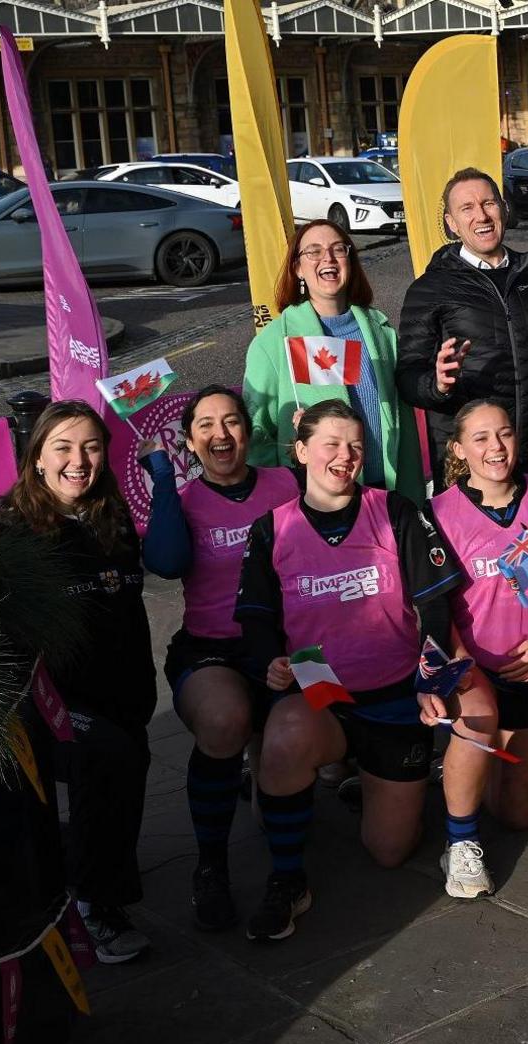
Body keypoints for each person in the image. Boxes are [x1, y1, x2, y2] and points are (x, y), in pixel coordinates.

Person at [234, 400, 462, 943]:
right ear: (302, 451)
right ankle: (287, 879)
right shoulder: (272, 528)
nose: (345, 456)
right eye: (332, 444)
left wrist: (432, 674)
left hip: (392, 687)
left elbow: (434, 604)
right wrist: (270, 660)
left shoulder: (396, 509)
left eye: (356, 445)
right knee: (286, 739)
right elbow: (256, 618)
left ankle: (366, 779)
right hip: (322, 683)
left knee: (389, 852)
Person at [0, 402, 156, 963]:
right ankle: (96, 906)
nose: (78, 460)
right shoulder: (14, 530)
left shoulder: (110, 516)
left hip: (123, 692)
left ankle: (97, 877)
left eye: (90, 446)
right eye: (62, 448)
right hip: (50, 703)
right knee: (108, 758)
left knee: (129, 760)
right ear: (37, 458)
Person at [140, 387, 300, 932]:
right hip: (212, 650)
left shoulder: (284, 484)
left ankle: (289, 876)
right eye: (205, 425)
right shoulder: (180, 500)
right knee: (226, 721)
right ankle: (211, 867)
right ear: (190, 441)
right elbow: (163, 562)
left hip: (282, 644)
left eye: (231, 421)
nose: (221, 434)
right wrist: (164, 479)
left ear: (248, 433)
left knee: (290, 752)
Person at [426, 399, 528, 900]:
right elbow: (433, 605)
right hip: (474, 666)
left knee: (519, 813)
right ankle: (460, 840)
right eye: (479, 438)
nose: (495, 448)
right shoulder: (437, 512)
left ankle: (468, 764)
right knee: (478, 723)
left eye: (503, 434)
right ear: (458, 449)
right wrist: (461, 658)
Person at [396, 167, 528, 482]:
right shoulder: (429, 289)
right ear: (452, 224)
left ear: (504, 208)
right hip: (468, 466)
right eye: (467, 208)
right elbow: (407, 377)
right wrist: (437, 385)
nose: (482, 216)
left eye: (488, 204)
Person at [243, 219, 423, 499]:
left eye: (338, 249)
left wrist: (412, 496)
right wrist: (283, 494)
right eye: (313, 251)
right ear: (298, 268)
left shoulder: (381, 331)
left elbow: (404, 425)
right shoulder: (272, 342)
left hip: (385, 493)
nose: (327, 258)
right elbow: (256, 434)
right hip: (316, 503)